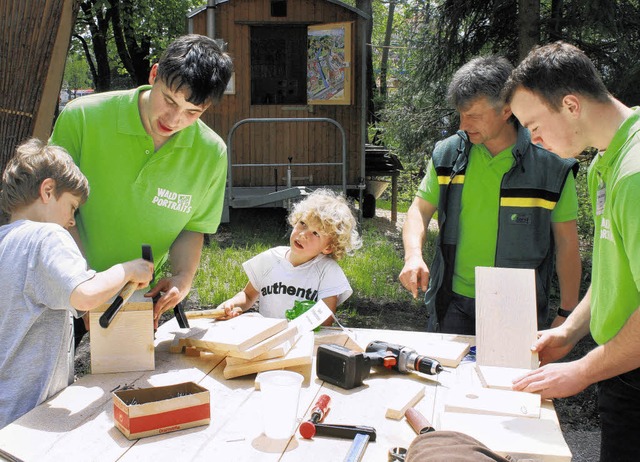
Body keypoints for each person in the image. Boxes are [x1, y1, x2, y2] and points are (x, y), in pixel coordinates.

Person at [504, 41, 640, 461]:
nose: (531, 138)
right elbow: (614, 276)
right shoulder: (607, 157)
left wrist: (581, 371)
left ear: (570, 105)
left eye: (533, 122)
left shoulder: (634, 174)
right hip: (621, 364)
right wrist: (570, 331)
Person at [50, 35, 233, 342]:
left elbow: (193, 226)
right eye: (170, 100)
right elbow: (51, 209)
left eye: (192, 112)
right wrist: (85, 284)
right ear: (153, 75)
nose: (174, 119)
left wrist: (182, 278)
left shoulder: (212, 153)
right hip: (65, 281)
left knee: (130, 382)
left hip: (139, 295)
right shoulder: (81, 118)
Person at [399, 55, 581, 335]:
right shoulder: (448, 154)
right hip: (452, 301)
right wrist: (413, 256)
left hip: (516, 306)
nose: (463, 125)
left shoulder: (551, 167)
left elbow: (567, 243)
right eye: (460, 114)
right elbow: (419, 210)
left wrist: (567, 312)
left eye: (473, 115)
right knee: (447, 379)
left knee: (509, 380)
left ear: (506, 109)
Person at [0, 139, 153, 429]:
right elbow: (85, 294)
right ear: (47, 191)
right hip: (29, 417)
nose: (72, 222)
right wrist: (128, 269)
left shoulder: (5, 241)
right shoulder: (47, 237)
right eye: (71, 207)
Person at [217, 189, 361, 325]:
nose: (303, 234)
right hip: (267, 339)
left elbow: (326, 319)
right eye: (303, 224)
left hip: (304, 341)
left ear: (328, 247)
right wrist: (233, 304)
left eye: (316, 233)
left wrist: (293, 328)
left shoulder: (327, 271)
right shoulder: (270, 259)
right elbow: (248, 296)